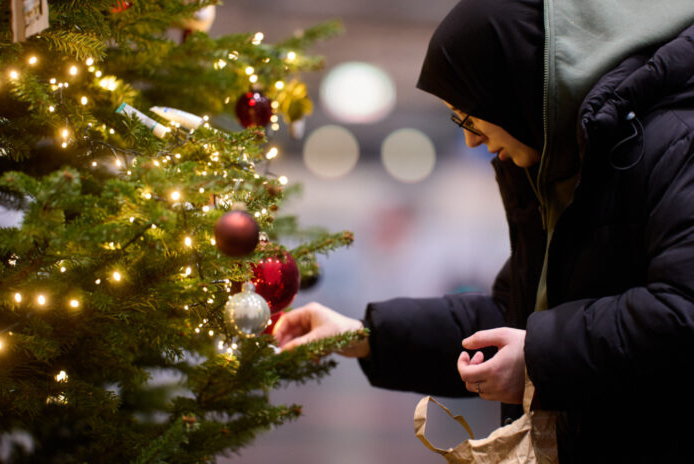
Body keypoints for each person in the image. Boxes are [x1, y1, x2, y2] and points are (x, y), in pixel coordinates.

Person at [274, 0, 694, 462]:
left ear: (513, 90)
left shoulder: (676, 140)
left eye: (468, 116)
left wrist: (540, 360)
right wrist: (363, 334)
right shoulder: (566, 171)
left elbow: (684, 309)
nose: (471, 138)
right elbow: (509, 316)